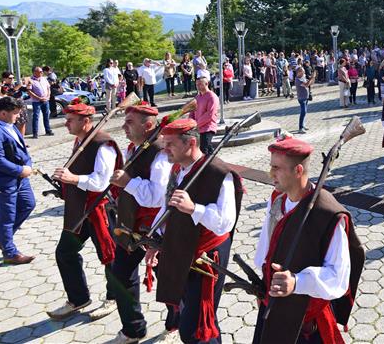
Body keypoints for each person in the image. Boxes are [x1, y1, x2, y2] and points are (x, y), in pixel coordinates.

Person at [252, 134, 364, 344]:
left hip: (306, 320)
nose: (270, 173)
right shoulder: (277, 199)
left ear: (298, 170)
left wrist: (297, 281)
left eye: (277, 168)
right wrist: (264, 283)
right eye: (271, 166)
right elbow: (266, 247)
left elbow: (338, 277)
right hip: (273, 304)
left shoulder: (328, 214)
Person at [144, 118, 244, 344]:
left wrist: (194, 209)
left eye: (170, 144)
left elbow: (225, 223)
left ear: (190, 143)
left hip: (207, 255)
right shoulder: (177, 169)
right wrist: (155, 240)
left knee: (193, 327)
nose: (165, 149)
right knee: (200, 320)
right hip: (181, 248)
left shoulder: (219, 173)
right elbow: (165, 207)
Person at [48, 99, 121, 321]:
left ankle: (114, 297)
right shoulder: (81, 140)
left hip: (98, 209)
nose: (66, 124)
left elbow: (102, 181)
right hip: (78, 209)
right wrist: (64, 183)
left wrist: (73, 178)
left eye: (70, 120)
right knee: (65, 252)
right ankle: (79, 298)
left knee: (110, 256)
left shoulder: (103, 144)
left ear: (85, 121)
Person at [107, 101, 172, 343]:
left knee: (168, 279)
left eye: (129, 122)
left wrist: (128, 183)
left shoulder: (160, 153)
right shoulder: (135, 148)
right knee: (121, 274)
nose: (123, 127)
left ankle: (176, 320)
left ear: (148, 126)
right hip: (129, 224)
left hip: (154, 229)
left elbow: (158, 196)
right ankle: (134, 329)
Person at [0, 97, 36, 263]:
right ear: (3, 113)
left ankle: (2, 238)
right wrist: (20, 170)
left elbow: (22, 149)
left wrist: (28, 165)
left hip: (20, 179)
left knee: (28, 204)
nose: (18, 117)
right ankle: (9, 253)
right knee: (6, 217)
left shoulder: (9, 126)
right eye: (15, 113)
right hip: (2, 182)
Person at [190, 75, 220, 156]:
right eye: (196, 84)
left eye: (200, 84)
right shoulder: (197, 97)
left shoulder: (212, 97)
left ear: (206, 84)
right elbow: (192, 111)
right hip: (198, 128)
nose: (198, 86)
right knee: (206, 151)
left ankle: (206, 166)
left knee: (204, 150)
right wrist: (190, 123)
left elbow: (210, 114)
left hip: (208, 128)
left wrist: (196, 124)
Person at [28, 66, 55, 138]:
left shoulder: (44, 79)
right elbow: (29, 91)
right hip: (36, 101)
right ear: (34, 72)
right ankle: (35, 133)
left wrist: (48, 96)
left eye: (42, 71)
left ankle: (48, 130)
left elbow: (48, 88)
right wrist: (38, 98)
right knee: (36, 116)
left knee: (46, 115)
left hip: (46, 100)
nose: (42, 73)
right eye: (40, 72)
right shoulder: (30, 80)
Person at [295, 66, 313, 133]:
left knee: (304, 112)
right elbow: (306, 85)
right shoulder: (298, 80)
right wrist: (311, 78)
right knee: (303, 112)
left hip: (306, 97)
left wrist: (313, 78)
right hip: (302, 98)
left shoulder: (302, 77)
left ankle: (303, 125)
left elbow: (310, 83)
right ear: (299, 72)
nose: (304, 73)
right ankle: (300, 128)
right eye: (303, 71)